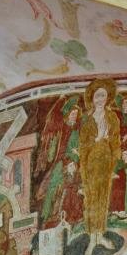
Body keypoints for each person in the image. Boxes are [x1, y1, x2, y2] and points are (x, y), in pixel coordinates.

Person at [79, 78, 121, 255]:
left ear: (107, 97)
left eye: (103, 95)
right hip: (91, 163)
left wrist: (114, 165)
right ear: (92, 98)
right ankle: (92, 238)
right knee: (91, 198)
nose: (100, 99)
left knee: (103, 198)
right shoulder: (87, 120)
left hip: (106, 161)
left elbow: (116, 142)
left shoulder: (112, 118)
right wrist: (96, 140)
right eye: (97, 96)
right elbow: (83, 145)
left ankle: (100, 235)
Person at [36, 96, 82, 226]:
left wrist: (76, 156)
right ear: (68, 114)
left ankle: (70, 214)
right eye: (72, 113)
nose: (74, 116)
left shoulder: (77, 130)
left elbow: (78, 147)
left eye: (76, 114)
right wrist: (61, 99)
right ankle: (48, 215)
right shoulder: (63, 127)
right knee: (53, 185)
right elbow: (61, 149)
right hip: (62, 160)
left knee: (73, 186)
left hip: (74, 161)